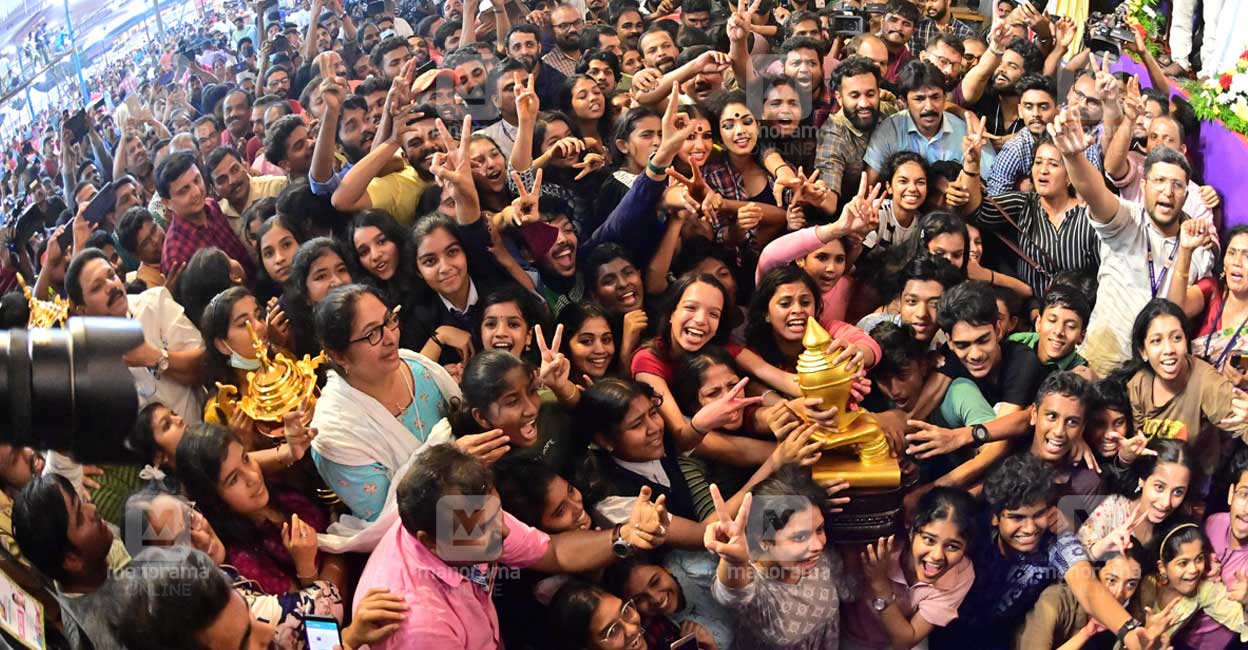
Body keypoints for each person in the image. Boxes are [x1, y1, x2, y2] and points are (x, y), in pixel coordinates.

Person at [351, 444, 666, 649]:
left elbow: (554, 552)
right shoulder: (419, 623)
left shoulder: (467, 514)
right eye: (481, 528)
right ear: (429, 541)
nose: (502, 531)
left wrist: (624, 534)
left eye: (497, 512)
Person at [1050, 107, 1215, 377]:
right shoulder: (1127, 219)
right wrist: (1073, 155)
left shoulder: (1196, 245)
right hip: (1101, 362)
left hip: (1154, 377)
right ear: (1144, 185)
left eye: (1177, 185)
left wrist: (1185, 250)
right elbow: (1095, 193)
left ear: (1186, 195)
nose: (1167, 191)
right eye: (1159, 181)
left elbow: (1178, 311)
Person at [309, 284, 460, 523]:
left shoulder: (418, 368)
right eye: (372, 334)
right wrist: (458, 464)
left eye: (389, 320)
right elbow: (392, 522)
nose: (391, 338)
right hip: (428, 539)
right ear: (339, 355)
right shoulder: (336, 434)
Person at [842, 487, 978, 649]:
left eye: (952, 546)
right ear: (911, 529)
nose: (937, 555)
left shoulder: (961, 574)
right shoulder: (879, 546)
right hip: (856, 637)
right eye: (929, 539)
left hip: (906, 636)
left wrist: (880, 585)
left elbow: (905, 641)